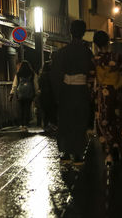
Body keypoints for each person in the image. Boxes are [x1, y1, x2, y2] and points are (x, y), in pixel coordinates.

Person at [51, 20, 94, 165]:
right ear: (83, 33)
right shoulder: (88, 53)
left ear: (70, 31)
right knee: (80, 121)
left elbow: (56, 75)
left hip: (66, 90)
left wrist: (58, 94)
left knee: (65, 121)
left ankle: (65, 153)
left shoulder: (62, 52)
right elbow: (92, 74)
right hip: (81, 90)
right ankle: (78, 154)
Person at [91, 31, 122, 165]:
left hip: (101, 93)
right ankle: (115, 144)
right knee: (116, 120)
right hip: (116, 92)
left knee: (102, 120)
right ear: (108, 42)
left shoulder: (95, 60)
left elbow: (91, 79)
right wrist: (117, 85)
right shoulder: (118, 57)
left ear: (95, 44)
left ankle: (108, 151)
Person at [10, 60, 38, 130]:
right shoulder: (32, 74)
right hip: (29, 94)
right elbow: (35, 84)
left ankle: (21, 124)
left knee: (21, 108)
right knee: (27, 108)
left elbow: (15, 85)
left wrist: (12, 93)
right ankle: (26, 123)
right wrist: (37, 92)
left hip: (20, 94)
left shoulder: (18, 74)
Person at [37, 61, 57, 131]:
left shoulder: (41, 75)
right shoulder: (51, 75)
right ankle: (51, 124)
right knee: (51, 110)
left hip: (42, 95)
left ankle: (45, 125)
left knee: (45, 111)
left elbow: (39, 86)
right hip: (50, 95)